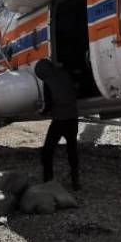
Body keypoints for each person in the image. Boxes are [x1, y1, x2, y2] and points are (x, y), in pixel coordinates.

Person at [35, 58, 81, 191]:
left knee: (47, 151)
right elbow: (76, 92)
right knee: (72, 149)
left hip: (59, 121)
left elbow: (48, 105)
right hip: (73, 118)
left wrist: (40, 112)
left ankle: (48, 181)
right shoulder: (65, 73)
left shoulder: (47, 82)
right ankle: (75, 180)